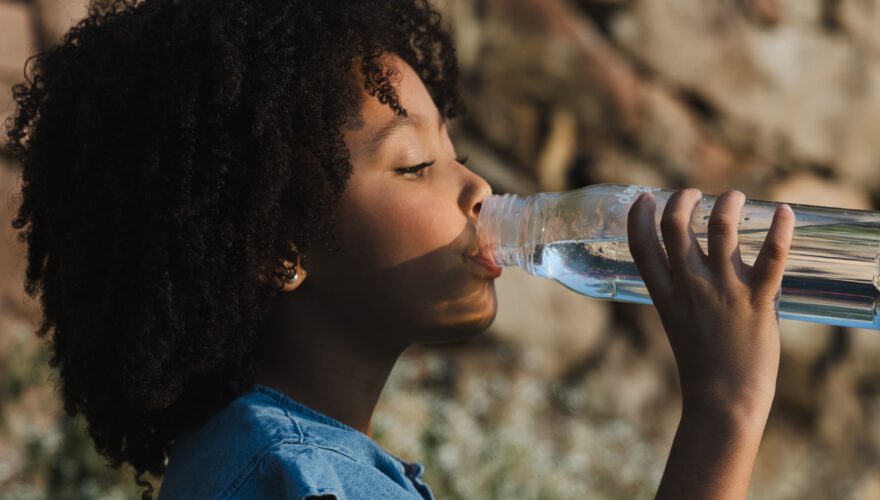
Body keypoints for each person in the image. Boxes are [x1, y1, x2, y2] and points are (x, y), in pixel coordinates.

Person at [2, 0, 795, 498]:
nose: (477, 187)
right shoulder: (292, 479)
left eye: (452, 150)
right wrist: (726, 410)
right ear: (280, 248)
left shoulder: (298, 464)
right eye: (416, 165)